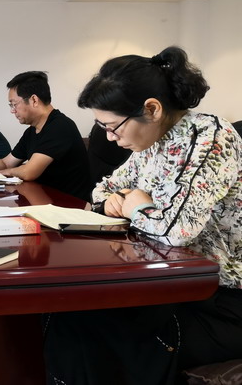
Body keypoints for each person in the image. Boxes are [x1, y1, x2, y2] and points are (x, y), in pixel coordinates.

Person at [44, 46, 242, 385]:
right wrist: (121, 200)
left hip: (222, 297)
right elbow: (102, 190)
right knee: (68, 313)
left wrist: (135, 207)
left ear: (151, 109)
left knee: (95, 331)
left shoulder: (208, 135)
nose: (110, 138)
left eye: (113, 127)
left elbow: (178, 230)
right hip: (176, 283)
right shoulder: (152, 143)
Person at [0, 71, 92, 201]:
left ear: (34, 100)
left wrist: (3, 173)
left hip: (67, 206)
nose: (12, 111)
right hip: (43, 199)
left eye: (14, 104)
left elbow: (29, 172)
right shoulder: (32, 131)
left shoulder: (59, 126)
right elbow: (6, 162)